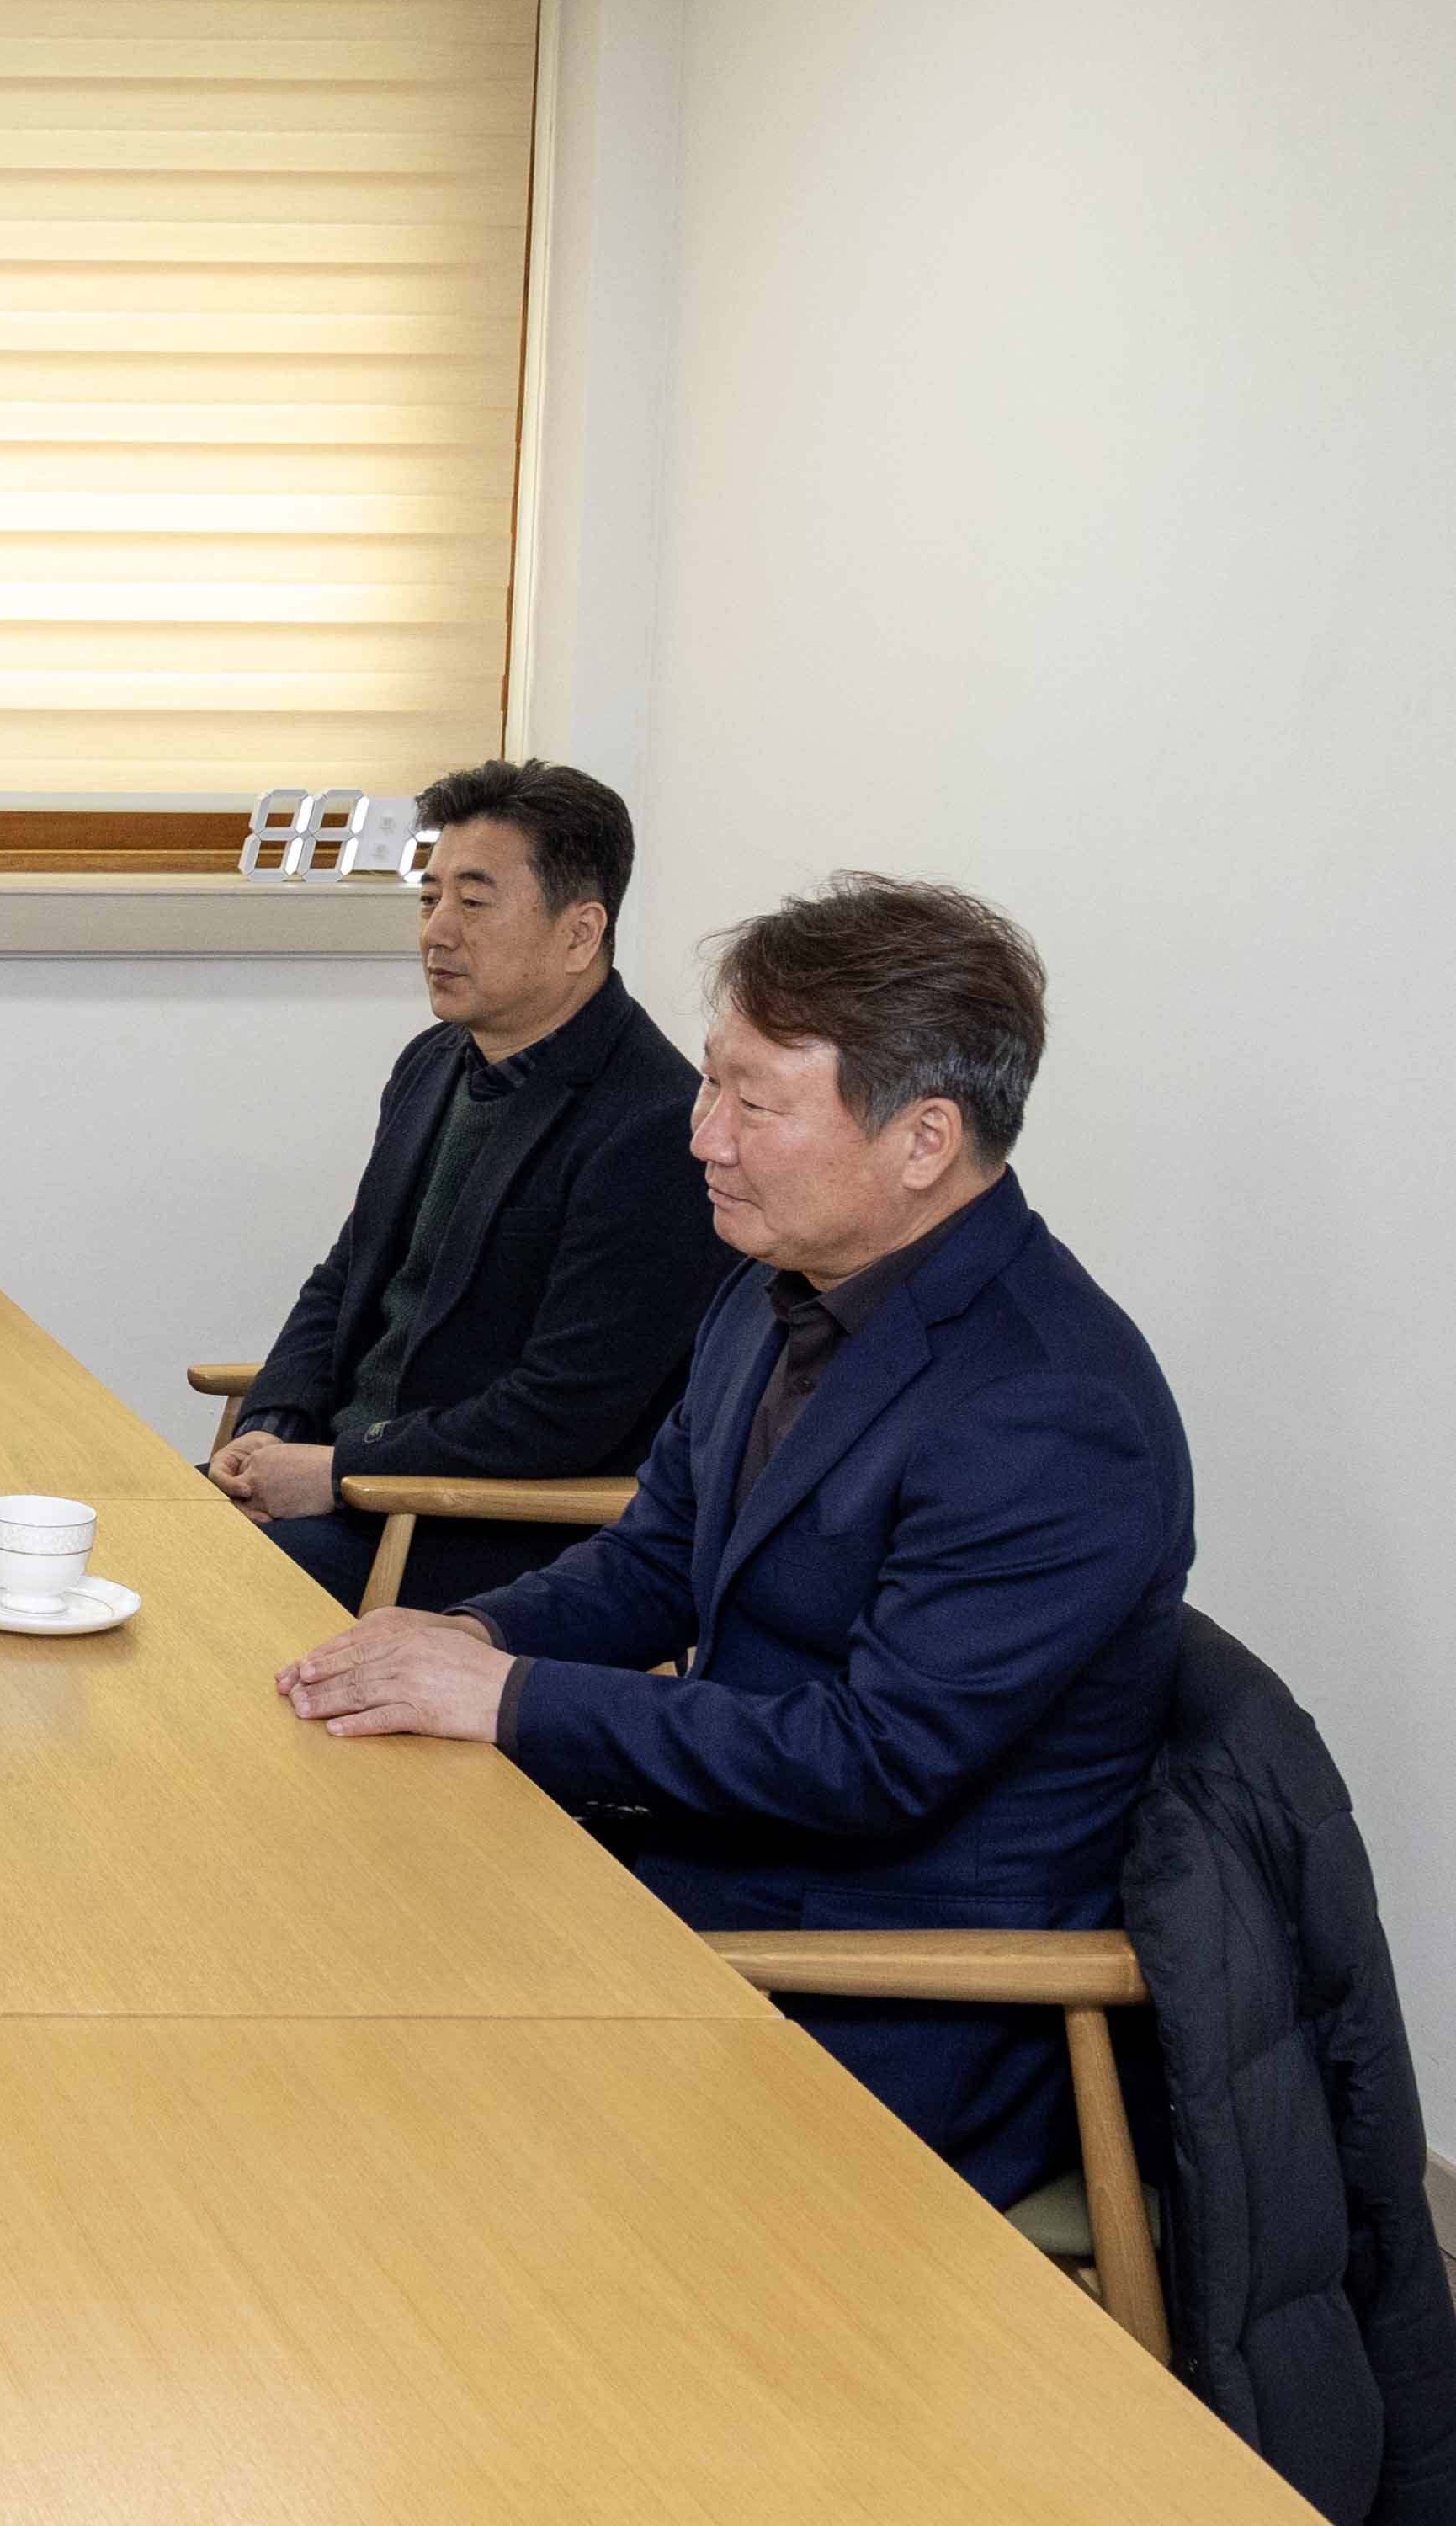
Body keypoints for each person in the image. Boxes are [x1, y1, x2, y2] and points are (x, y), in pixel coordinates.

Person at [274, 876, 1191, 2207]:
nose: (702, 1137)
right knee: (328, 1943)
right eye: (708, 1087)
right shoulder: (773, 1297)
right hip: (727, 1873)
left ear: (923, 1139)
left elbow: (877, 1765)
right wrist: (474, 1634)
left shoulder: (1051, 1407)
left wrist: (512, 1700)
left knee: (409, 2122)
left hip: (892, 1991)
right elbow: (655, 1561)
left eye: (753, 1104)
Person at [207, 760, 731, 1613]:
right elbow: (346, 1278)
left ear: (579, 932)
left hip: (482, 1530)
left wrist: (338, 1471)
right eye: (428, 898)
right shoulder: (432, 1064)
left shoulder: (654, 1126)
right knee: (115, 1526)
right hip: (348, 1485)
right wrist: (276, 1422)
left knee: (190, 1592)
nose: (436, 931)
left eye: (474, 902)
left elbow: (563, 1412)